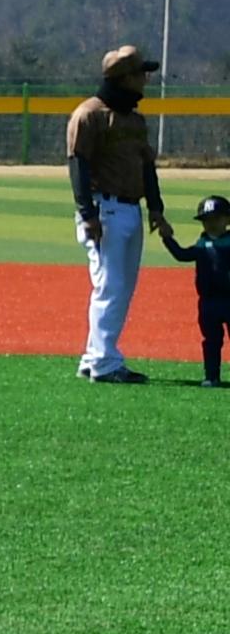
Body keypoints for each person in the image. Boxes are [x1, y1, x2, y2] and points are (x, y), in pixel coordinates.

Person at [68, 44, 175, 383]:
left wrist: (156, 208)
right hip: (105, 208)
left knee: (120, 287)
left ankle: (94, 355)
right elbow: (78, 166)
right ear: (124, 77)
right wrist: (88, 214)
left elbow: (147, 167)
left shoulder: (135, 119)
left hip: (130, 209)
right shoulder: (90, 114)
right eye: (141, 73)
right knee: (110, 286)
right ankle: (104, 363)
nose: (146, 79)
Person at [167, 192, 230, 386]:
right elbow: (182, 255)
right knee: (211, 341)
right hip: (208, 301)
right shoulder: (201, 244)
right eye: (206, 220)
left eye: (216, 219)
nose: (211, 224)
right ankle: (211, 377)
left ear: (227, 219)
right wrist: (167, 238)